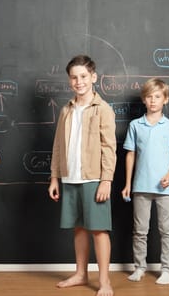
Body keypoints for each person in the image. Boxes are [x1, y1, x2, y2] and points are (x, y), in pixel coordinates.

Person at [48, 55, 117, 296]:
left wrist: (106, 180)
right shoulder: (66, 110)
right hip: (69, 178)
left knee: (98, 229)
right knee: (78, 228)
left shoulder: (103, 109)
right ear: (69, 81)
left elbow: (109, 147)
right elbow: (58, 145)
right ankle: (80, 273)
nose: (79, 82)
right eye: (74, 77)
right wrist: (55, 177)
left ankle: (105, 281)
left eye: (84, 76)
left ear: (93, 77)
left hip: (94, 179)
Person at [121, 78, 169, 285]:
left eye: (157, 96)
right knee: (140, 230)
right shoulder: (135, 125)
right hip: (140, 186)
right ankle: (139, 267)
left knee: (167, 230)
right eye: (149, 97)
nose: (153, 100)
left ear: (165, 99)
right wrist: (128, 183)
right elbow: (130, 155)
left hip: (166, 188)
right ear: (144, 99)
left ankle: (166, 269)